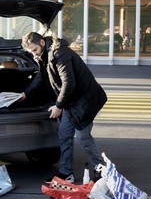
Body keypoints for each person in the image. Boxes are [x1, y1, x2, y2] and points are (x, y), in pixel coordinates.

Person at [19, 32, 106, 184]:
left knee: (83, 138)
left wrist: (59, 106)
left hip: (84, 100)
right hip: (70, 101)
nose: (34, 54)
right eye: (31, 52)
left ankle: (102, 170)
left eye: (34, 50)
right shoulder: (43, 56)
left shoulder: (60, 53)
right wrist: (25, 94)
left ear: (41, 42)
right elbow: (41, 77)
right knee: (64, 134)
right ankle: (66, 173)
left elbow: (68, 83)